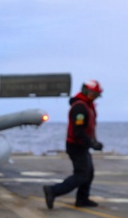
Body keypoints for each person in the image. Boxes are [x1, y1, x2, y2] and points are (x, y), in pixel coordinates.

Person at [42, 79, 104, 209]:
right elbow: (78, 131)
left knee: (89, 173)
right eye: (92, 94)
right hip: (76, 146)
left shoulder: (87, 106)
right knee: (82, 174)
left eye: (96, 95)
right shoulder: (80, 107)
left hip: (82, 145)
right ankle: (53, 191)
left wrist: (93, 142)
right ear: (85, 91)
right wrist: (92, 143)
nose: (94, 97)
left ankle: (82, 199)